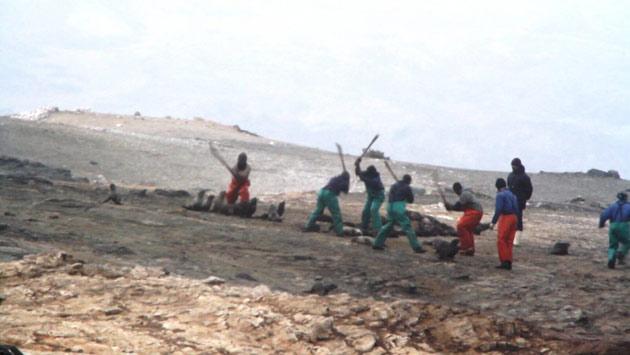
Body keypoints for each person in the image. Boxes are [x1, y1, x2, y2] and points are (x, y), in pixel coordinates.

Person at [372, 174, 426, 253]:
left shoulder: (394, 185)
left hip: (389, 206)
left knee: (388, 226)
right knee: (408, 227)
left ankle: (377, 244)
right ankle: (416, 247)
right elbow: (411, 200)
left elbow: (390, 195)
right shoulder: (407, 187)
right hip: (398, 207)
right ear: (409, 181)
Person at [304, 171, 350, 236]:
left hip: (321, 192)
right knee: (336, 214)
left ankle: (308, 225)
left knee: (317, 211)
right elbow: (346, 191)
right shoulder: (344, 182)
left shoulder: (334, 178)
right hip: (330, 194)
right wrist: (347, 181)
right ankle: (340, 232)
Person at [445, 182, 483, 256]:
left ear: (456, 190)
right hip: (477, 212)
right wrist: (451, 207)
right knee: (468, 229)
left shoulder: (464, 194)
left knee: (461, 226)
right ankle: (471, 248)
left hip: (474, 212)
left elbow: (458, 206)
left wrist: (450, 207)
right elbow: (461, 207)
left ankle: (466, 247)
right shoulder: (467, 193)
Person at [489, 178, 519, 270]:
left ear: (497, 187)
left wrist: (493, 222)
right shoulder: (512, 195)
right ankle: (509, 261)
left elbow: (498, 209)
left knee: (501, 239)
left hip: (506, 217)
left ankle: (504, 261)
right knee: (509, 241)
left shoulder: (500, 195)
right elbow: (517, 208)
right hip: (514, 217)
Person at [598, 192, 630, 269]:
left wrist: (601, 224)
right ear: (626, 198)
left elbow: (603, 215)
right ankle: (621, 253)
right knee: (627, 242)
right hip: (624, 226)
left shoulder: (612, 206)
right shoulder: (629, 206)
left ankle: (611, 259)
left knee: (613, 245)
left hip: (613, 226)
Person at [354, 157, 385, 235]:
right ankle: (364, 225)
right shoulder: (367, 173)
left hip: (378, 196)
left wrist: (363, 178)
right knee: (366, 211)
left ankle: (378, 229)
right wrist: (357, 164)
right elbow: (358, 173)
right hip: (371, 196)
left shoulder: (376, 178)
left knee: (374, 210)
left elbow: (371, 182)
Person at [507, 158, 533, 245]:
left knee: (518, 219)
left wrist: (524, 198)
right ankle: (510, 236)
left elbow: (529, 189)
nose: (513, 167)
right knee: (509, 218)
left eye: (514, 166)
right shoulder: (510, 175)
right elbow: (509, 187)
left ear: (518, 166)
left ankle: (516, 240)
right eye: (512, 166)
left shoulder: (525, 177)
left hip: (519, 201)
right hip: (510, 201)